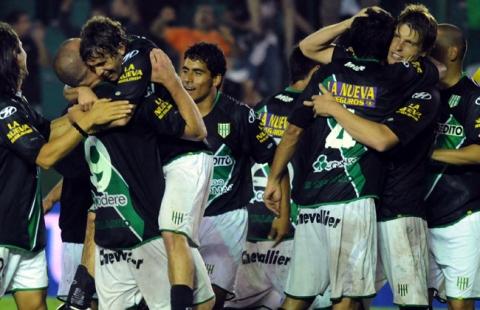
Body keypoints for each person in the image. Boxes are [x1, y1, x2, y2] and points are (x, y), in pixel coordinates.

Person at [264, 8, 437, 310]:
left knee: (303, 297)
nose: (398, 47)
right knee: (348, 297)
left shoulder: (333, 74)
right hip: (355, 199)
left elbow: (307, 51)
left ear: (422, 51)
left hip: (355, 202)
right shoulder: (393, 78)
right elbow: (307, 49)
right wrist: (354, 23)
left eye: (408, 43)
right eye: (396, 37)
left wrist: (333, 107)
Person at [55, 36, 215, 309]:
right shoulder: (108, 90)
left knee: (170, 233)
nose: (101, 65)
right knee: (203, 297)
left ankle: (77, 299)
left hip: (184, 158)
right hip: (156, 172)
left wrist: (173, 81)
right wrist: (78, 91)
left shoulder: (135, 71)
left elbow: (198, 132)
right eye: (93, 60)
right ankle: (78, 299)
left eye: (101, 58)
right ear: (89, 66)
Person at [0, 22, 132, 310]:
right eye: (20, 48)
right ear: (9, 57)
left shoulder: (16, 102)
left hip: (26, 237)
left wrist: (79, 110)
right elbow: (45, 156)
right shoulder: (4, 109)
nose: (26, 53)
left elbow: (49, 130)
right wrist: (87, 122)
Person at [179, 42, 280, 309]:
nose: (187, 79)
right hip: (179, 219)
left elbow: (274, 155)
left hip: (226, 219)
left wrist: (281, 197)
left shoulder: (239, 116)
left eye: (197, 72)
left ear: (216, 79)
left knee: (210, 301)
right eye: (185, 70)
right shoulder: (170, 113)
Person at [225, 46, 323, 309]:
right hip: (291, 230)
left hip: (251, 229)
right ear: (316, 72)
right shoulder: (314, 113)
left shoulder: (259, 109)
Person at [425, 23, 480, 310]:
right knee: (415, 300)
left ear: (453, 52)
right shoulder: (421, 94)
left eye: (432, 47)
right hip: (421, 216)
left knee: (460, 305)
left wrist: (430, 155)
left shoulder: (474, 98)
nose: (426, 51)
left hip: (461, 217)